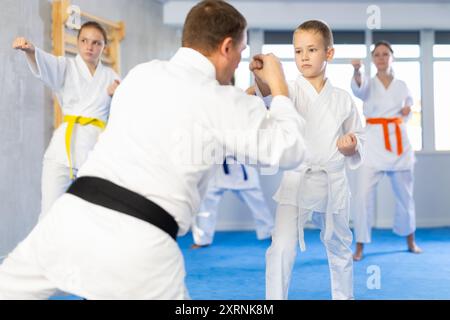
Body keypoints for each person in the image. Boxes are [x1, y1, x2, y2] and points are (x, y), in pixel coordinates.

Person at [0, 0, 306, 300]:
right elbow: (290, 150)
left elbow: (193, 115)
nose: (239, 60)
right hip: (141, 245)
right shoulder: (220, 100)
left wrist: (254, 99)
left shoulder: (139, 76)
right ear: (226, 47)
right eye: (240, 51)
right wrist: (279, 90)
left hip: (69, 219)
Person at [256, 20, 364, 300]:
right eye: (298, 51)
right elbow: (267, 95)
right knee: (281, 246)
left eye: (312, 49)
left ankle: (344, 297)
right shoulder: (288, 89)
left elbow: (357, 136)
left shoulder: (343, 99)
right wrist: (259, 76)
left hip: (332, 181)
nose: (303, 56)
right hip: (297, 179)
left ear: (329, 54)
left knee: (339, 244)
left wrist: (351, 146)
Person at [12, 21, 120, 218]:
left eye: (97, 43)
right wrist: (30, 51)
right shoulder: (66, 66)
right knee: (49, 214)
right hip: (63, 151)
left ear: (104, 46)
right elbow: (46, 63)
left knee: (93, 216)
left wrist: (118, 95)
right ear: (77, 42)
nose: (90, 46)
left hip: (95, 153)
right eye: (85, 41)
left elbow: (124, 113)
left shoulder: (111, 76)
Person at [351, 41, 422, 261]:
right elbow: (358, 89)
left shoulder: (402, 85)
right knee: (362, 196)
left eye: (385, 54)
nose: (381, 58)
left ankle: (410, 239)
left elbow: (408, 110)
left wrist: (408, 111)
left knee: (405, 196)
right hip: (373, 143)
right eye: (377, 55)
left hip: (399, 143)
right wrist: (356, 71)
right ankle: (360, 245)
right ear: (373, 59)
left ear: (392, 57)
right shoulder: (369, 83)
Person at [191, 156, 274, 248]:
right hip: (217, 167)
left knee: (258, 203)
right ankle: (202, 239)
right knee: (205, 203)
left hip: (241, 165)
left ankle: (271, 232)